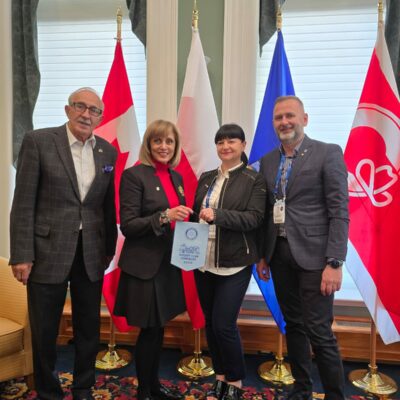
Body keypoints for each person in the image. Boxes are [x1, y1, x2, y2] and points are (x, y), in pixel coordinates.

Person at [9, 87, 118, 400]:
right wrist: (22, 255)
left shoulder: (107, 152)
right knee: (45, 330)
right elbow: (23, 202)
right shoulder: (39, 141)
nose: (86, 114)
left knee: (88, 327)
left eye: (94, 110)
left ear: (100, 117)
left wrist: (108, 249)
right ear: (68, 110)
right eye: (80, 106)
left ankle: (83, 387)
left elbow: (106, 206)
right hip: (46, 253)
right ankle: (48, 391)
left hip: (91, 253)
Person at [256, 96, 349, 400]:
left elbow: (339, 211)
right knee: (293, 325)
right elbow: (267, 212)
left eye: (290, 116)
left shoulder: (327, 153)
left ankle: (335, 395)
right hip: (279, 256)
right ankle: (302, 389)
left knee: (319, 331)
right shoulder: (268, 161)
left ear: (304, 119)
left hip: (316, 260)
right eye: (278, 118)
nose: (284, 122)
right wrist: (263, 256)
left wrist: (335, 262)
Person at [114, 120, 191, 400]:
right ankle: (144, 391)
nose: (164, 146)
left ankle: (154, 387)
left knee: (158, 330)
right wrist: (164, 216)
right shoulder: (134, 175)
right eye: (158, 141)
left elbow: (179, 221)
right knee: (148, 331)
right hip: (143, 268)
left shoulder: (176, 177)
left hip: (168, 266)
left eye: (169, 141)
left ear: (175, 146)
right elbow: (129, 225)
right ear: (148, 145)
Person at [192, 124, 266, 400]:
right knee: (211, 323)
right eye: (220, 142)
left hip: (234, 263)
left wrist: (218, 215)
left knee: (224, 324)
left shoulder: (254, 179)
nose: (225, 146)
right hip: (203, 261)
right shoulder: (206, 177)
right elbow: (197, 215)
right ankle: (220, 377)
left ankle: (235, 380)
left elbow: (254, 218)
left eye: (231, 141)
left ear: (243, 145)